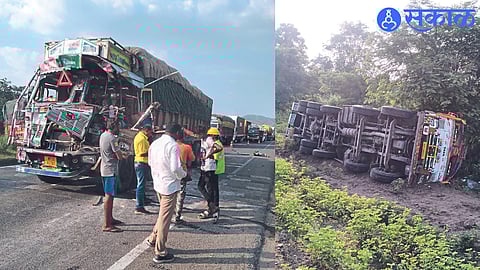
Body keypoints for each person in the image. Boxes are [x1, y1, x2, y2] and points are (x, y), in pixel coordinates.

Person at [146, 123, 186, 263]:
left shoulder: (155, 143)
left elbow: (150, 162)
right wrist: (183, 174)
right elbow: (176, 168)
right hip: (169, 187)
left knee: (162, 215)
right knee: (165, 220)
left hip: (158, 183)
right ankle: (160, 252)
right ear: (176, 133)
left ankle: (153, 239)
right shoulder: (173, 145)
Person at [99, 120, 125, 232]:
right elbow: (119, 155)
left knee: (110, 196)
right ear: (114, 128)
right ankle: (106, 224)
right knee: (109, 196)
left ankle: (110, 218)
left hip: (104, 168)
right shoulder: (112, 139)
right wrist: (123, 155)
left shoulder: (103, 135)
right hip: (111, 170)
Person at [197, 127, 223, 220]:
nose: (199, 136)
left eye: (200, 134)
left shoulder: (209, 140)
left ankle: (212, 207)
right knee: (202, 186)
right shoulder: (202, 139)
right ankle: (212, 206)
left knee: (210, 189)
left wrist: (208, 155)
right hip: (204, 168)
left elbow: (219, 147)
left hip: (210, 168)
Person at [172, 132, 195, 224]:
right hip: (182, 173)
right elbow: (192, 158)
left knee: (170, 194)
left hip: (171, 173)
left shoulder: (171, 146)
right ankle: (177, 216)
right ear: (183, 138)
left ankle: (169, 213)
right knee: (180, 195)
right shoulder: (186, 147)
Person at [134, 122, 154, 214]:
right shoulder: (141, 139)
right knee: (141, 184)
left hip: (142, 162)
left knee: (142, 184)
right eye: (150, 132)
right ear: (146, 130)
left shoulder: (142, 137)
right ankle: (139, 206)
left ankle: (142, 201)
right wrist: (152, 152)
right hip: (141, 162)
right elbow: (142, 153)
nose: (151, 134)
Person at [212, 130, 225, 223]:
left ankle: (214, 206)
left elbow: (215, 157)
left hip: (215, 168)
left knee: (213, 189)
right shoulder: (218, 143)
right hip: (217, 168)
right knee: (214, 188)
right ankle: (213, 205)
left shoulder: (216, 144)